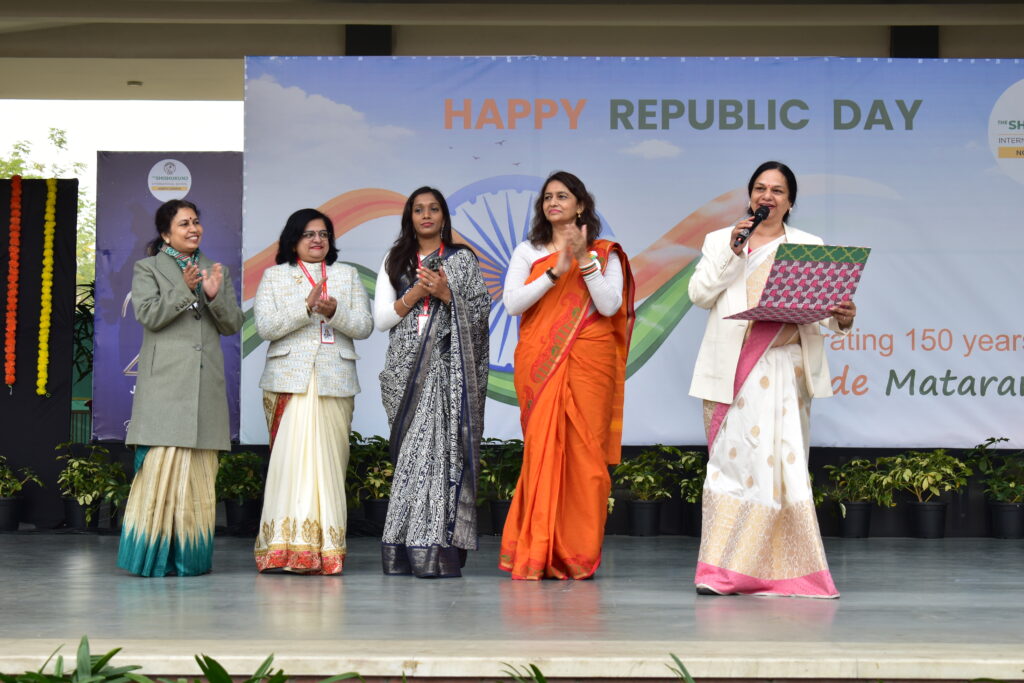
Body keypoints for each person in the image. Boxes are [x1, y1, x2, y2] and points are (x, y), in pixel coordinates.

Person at [688, 160, 857, 598]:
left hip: (786, 369)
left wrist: (843, 317)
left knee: (783, 469)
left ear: (790, 201)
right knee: (733, 467)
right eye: (760, 188)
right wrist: (733, 251)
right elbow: (700, 295)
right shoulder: (722, 240)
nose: (767, 196)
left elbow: (824, 311)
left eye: (778, 190)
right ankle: (722, 571)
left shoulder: (809, 246)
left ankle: (789, 572)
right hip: (733, 373)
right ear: (750, 196)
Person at [498, 171, 635, 580]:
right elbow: (512, 303)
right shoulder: (528, 250)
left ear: (581, 205)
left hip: (590, 364)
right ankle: (538, 549)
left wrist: (584, 261)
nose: (553, 202)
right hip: (542, 363)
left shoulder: (605, 253)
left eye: (562, 196)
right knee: (542, 453)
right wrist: (555, 272)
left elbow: (609, 307)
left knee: (586, 459)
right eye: (547, 197)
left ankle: (577, 553)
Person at [118, 199, 243, 577]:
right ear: (165, 233)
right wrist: (185, 289)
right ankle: (151, 558)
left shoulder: (215, 270)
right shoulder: (148, 268)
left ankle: (191, 559)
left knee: (197, 478)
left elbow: (232, 324)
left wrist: (213, 295)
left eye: (196, 222)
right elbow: (148, 315)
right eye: (184, 223)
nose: (193, 229)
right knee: (160, 474)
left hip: (205, 386)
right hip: (165, 386)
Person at [374, 187, 490, 578]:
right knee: (412, 461)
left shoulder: (461, 260)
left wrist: (446, 294)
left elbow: (479, 313)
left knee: (439, 460)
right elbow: (382, 320)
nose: (426, 215)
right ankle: (404, 547)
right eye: (418, 209)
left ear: (443, 216)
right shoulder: (395, 259)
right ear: (409, 217)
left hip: (446, 369)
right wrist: (416, 293)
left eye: (433, 209)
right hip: (405, 370)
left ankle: (434, 548)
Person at [253, 208, 373, 574]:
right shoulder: (275, 276)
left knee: (329, 464)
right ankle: (282, 548)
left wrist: (335, 312)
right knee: (289, 465)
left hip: (334, 378)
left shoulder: (346, 274)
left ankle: (327, 550)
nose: (317, 240)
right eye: (309, 234)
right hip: (290, 379)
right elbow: (266, 327)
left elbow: (364, 326)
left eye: (323, 234)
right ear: (294, 240)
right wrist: (305, 307)